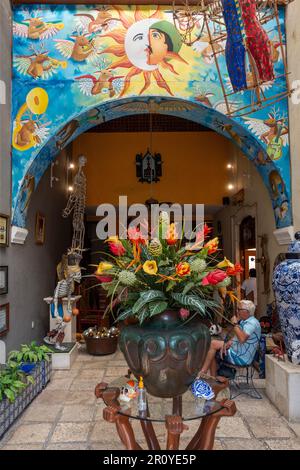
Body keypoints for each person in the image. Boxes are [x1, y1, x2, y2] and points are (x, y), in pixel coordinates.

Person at [200, 300, 261, 377]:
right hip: (238, 350)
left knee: (213, 346)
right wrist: (230, 342)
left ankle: (204, 373)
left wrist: (235, 324)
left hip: (241, 357)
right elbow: (238, 336)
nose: (237, 311)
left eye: (239, 309)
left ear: (246, 311)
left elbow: (242, 339)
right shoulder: (245, 321)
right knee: (213, 347)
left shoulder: (251, 323)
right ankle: (211, 376)